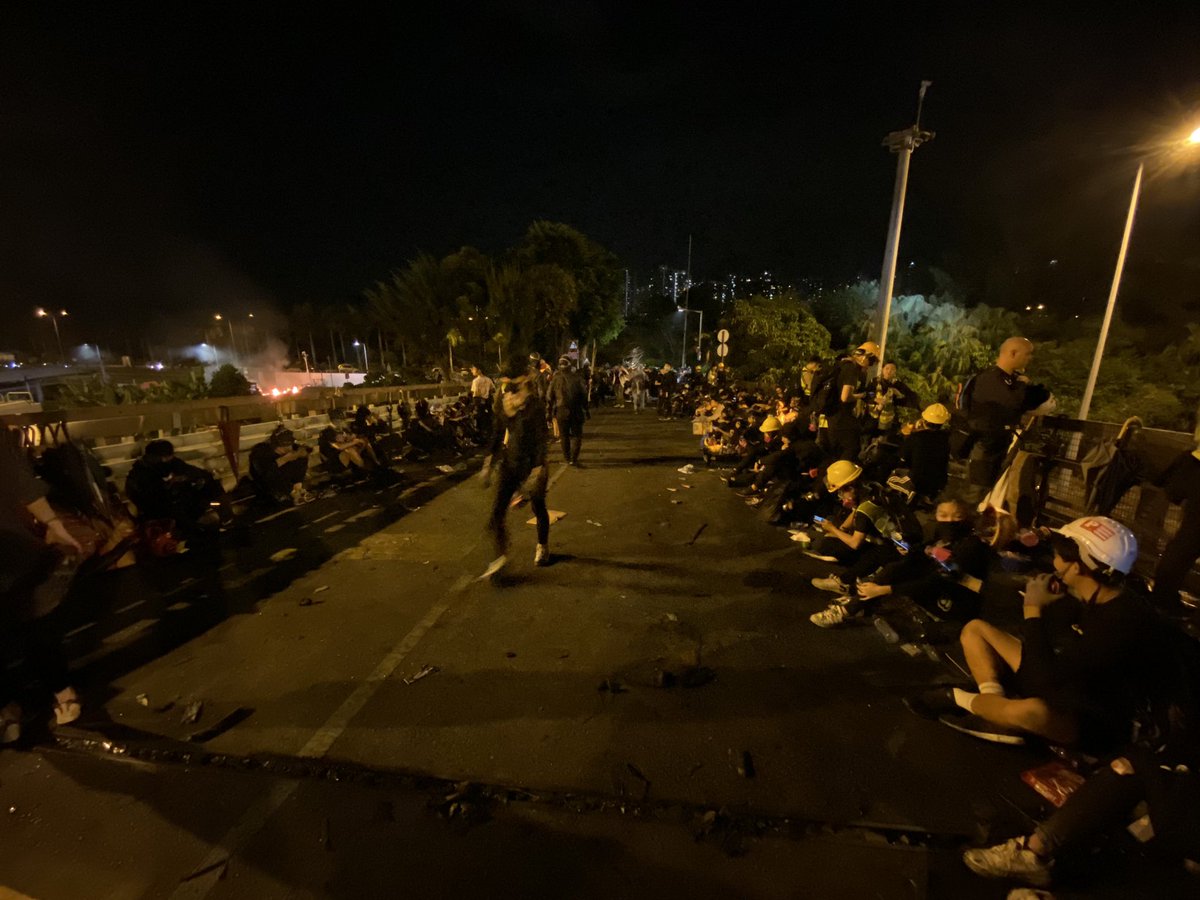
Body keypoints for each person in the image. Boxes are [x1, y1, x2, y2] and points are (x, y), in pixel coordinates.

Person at [905, 515, 1159, 749]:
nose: (1053, 561)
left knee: (1031, 711)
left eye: (1057, 555)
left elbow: (1044, 681)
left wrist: (1033, 610)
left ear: (1076, 567)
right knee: (975, 630)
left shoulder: (1117, 625)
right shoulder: (1102, 596)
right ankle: (995, 708)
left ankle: (958, 698)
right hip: (1062, 681)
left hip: (1089, 719)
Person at [1, 435, 86, 740]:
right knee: (33, 623)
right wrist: (55, 525)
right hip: (11, 547)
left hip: (10, 548)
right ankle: (24, 702)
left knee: (34, 622)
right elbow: (23, 482)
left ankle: (25, 702)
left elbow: (22, 482)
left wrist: (55, 524)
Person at [810, 499, 990, 628]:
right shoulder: (943, 538)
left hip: (952, 605)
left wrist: (884, 590)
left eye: (957, 516)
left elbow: (937, 580)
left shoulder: (970, 545)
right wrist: (915, 550)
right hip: (934, 588)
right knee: (898, 563)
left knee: (899, 568)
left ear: (967, 518)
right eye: (943, 515)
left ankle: (850, 608)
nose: (949, 521)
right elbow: (928, 552)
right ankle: (859, 602)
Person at [479, 360, 551, 579]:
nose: (507, 387)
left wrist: (537, 471)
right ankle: (501, 557)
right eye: (505, 382)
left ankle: (542, 545)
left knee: (538, 507)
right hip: (511, 463)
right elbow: (497, 433)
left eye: (511, 381)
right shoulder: (504, 401)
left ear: (523, 379)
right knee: (495, 516)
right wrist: (488, 463)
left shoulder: (534, 405)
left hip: (532, 465)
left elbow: (541, 440)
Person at [962, 337, 1052, 504]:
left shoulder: (1009, 380)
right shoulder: (990, 379)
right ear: (1013, 353)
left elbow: (1034, 398)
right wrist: (1024, 386)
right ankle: (963, 518)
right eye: (1027, 354)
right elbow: (1017, 402)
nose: (1030, 358)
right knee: (978, 492)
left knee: (989, 493)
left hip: (997, 445)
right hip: (985, 446)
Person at [125, 439, 226, 531]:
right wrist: (169, 486)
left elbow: (196, 472)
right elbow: (149, 499)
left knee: (212, 488)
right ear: (152, 456)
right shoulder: (139, 474)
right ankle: (195, 530)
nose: (165, 460)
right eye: (163, 457)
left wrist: (187, 478)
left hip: (184, 500)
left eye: (168, 457)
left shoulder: (171, 463)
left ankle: (226, 519)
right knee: (175, 510)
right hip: (163, 510)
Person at [821, 341, 878, 463]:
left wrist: (869, 396)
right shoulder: (851, 369)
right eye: (872, 361)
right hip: (841, 419)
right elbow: (845, 397)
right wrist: (862, 395)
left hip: (833, 418)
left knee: (836, 455)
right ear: (865, 357)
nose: (871, 365)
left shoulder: (845, 366)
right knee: (850, 451)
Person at [249, 425, 314, 505]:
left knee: (301, 458)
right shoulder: (261, 452)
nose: (289, 448)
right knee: (273, 473)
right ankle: (292, 494)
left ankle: (298, 491)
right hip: (265, 486)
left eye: (290, 444)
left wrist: (302, 454)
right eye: (285, 446)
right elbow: (265, 473)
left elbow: (304, 455)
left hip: (289, 483)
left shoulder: (293, 448)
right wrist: (284, 459)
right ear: (276, 446)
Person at [548, 356, 588, 465]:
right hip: (576, 410)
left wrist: (549, 412)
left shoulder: (555, 379)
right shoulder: (577, 378)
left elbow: (549, 397)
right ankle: (573, 459)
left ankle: (567, 458)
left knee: (564, 435)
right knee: (576, 435)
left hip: (561, 411)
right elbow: (584, 395)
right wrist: (586, 409)